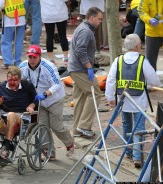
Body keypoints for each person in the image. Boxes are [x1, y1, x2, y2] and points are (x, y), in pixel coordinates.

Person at [105, 34, 161, 168]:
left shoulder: (118, 61)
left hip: (124, 101)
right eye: (140, 44)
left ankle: (128, 151)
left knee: (126, 126)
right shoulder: (143, 61)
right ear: (137, 46)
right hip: (139, 102)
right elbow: (154, 80)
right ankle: (137, 157)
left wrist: (110, 97)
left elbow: (111, 79)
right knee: (139, 128)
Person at [19, 45, 74, 160]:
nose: (32, 60)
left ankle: (69, 144)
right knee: (42, 125)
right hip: (38, 101)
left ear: (40, 56)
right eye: (30, 57)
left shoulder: (48, 67)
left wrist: (45, 94)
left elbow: (58, 84)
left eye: (34, 57)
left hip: (54, 99)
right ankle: (48, 151)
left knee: (56, 126)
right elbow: (21, 83)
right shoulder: (23, 66)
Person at [68, 7, 103, 138]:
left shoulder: (84, 28)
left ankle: (77, 130)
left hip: (75, 68)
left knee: (80, 99)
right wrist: (88, 66)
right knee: (95, 94)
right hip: (80, 69)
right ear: (92, 18)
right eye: (99, 19)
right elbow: (80, 50)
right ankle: (84, 126)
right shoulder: (86, 31)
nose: (100, 22)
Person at [0, 66, 37, 159]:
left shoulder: (27, 85)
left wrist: (31, 106)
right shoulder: (1, 87)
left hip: (23, 118)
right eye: (10, 80)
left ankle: (6, 147)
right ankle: (6, 144)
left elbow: (36, 100)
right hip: (5, 120)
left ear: (20, 79)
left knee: (11, 114)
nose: (12, 82)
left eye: (15, 80)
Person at [0, 0, 26, 68]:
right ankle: (17, 62)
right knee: (18, 42)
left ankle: (8, 62)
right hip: (21, 19)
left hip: (9, 21)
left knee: (6, 42)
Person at [40, 0, 70, 65]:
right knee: (63, 36)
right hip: (60, 12)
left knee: (49, 36)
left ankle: (51, 59)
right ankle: (66, 58)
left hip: (47, 13)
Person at [138, 0, 163, 71]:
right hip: (152, 32)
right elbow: (141, 11)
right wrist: (149, 20)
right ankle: (151, 80)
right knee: (150, 60)